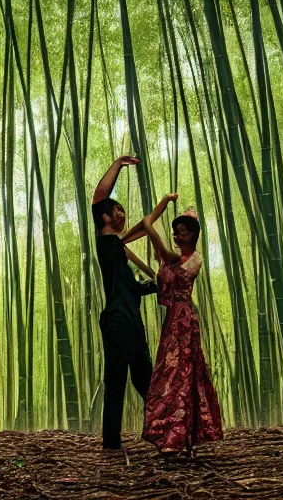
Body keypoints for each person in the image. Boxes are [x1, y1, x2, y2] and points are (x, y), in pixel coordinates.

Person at [91, 155, 177, 450]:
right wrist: (117, 163)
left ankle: (165, 432)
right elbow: (99, 197)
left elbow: (135, 289)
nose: (121, 213)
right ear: (105, 218)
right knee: (116, 382)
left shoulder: (119, 250)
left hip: (131, 322)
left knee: (147, 381)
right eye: (117, 210)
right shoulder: (106, 243)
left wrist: (158, 282)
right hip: (117, 321)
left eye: (122, 210)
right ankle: (111, 444)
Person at [140, 203, 223, 456]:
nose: (178, 236)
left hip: (184, 320)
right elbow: (158, 274)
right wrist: (128, 253)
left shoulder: (192, 258)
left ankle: (180, 436)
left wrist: (149, 225)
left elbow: (162, 251)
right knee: (169, 373)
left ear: (194, 235)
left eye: (183, 232)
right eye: (176, 231)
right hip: (172, 320)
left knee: (184, 374)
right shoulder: (171, 260)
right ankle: (170, 434)